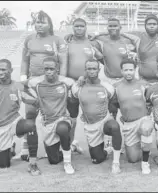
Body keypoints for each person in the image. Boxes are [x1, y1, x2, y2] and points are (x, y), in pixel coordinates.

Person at [19, 10, 69, 161]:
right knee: (30, 114)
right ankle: (26, 146)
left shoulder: (57, 40)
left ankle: (56, 146)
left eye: (43, 22)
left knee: (54, 116)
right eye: (37, 22)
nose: (39, 25)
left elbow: (64, 61)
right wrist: (23, 77)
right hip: (33, 82)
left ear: (50, 24)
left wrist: (62, 79)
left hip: (52, 83)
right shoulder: (29, 39)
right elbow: (25, 60)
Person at [0, 59, 41, 175]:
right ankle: (11, 148)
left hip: (14, 122)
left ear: (11, 70)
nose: (0, 72)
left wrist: (33, 89)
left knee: (30, 126)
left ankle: (32, 164)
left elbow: (34, 101)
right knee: (4, 165)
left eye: (3, 69)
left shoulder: (17, 87)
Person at [23, 57, 77, 174]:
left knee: (62, 129)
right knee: (53, 160)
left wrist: (82, 80)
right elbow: (20, 86)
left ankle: (67, 162)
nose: (48, 71)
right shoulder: (35, 82)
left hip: (63, 118)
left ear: (57, 69)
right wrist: (31, 100)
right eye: (46, 69)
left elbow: (79, 87)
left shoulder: (67, 82)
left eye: (51, 69)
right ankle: (66, 148)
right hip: (47, 122)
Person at [71, 59, 123, 174]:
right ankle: (105, 150)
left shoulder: (107, 87)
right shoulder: (77, 87)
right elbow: (72, 103)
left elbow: (114, 104)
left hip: (104, 121)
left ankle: (116, 162)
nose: (92, 71)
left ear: (99, 70)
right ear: (85, 70)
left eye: (94, 68)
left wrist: (112, 117)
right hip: (90, 126)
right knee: (96, 159)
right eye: (89, 69)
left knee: (114, 126)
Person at [64, 18, 103, 154]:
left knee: (92, 115)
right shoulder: (67, 42)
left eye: (81, 26)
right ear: (72, 27)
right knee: (72, 117)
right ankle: (70, 144)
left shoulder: (92, 43)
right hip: (72, 85)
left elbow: (101, 59)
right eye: (76, 26)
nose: (79, 28)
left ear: (86, 27)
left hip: (88, 85)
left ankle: (96, 144)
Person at [111, 58, 154, 174]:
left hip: (143, 120)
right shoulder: (115, 87)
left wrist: (149, 116)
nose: (128, 72)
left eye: (131, 70)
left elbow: (152, 100)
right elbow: (114, 104)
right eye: (125, 70)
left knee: (146, 128)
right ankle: (144, 146)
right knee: (133, 159)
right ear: (121, 71)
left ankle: (145, 163)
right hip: (129, 124)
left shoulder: (144, 84)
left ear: (135, 70)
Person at [92, 18, 138, 85]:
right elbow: (87, 39)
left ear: (120, 27)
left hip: (124, 79)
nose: (112, 28)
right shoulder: (101, 39)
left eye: (115, 26)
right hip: (107, 79)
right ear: (107, 28)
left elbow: (133, 59)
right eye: (110, 26)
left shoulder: (127, 41)